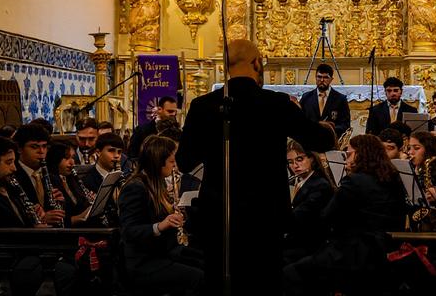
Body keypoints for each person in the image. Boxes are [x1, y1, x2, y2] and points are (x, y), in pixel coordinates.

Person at [177, 39, 336, 295]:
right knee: (263, 284)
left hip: (219, 214)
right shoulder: (276, 104)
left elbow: (184, 162)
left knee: (219, 283)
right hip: (265, 215)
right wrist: (326, 129)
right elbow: (319, 140)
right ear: (257, 63)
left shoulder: (202, 106)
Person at [284, 134, 406, 295]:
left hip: (352, 254)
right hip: (383, 253)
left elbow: (328, 217)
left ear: (361, 154)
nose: (346, 160)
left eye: (348, 154)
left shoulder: (354, 181)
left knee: (290, 274)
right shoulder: (394, 179)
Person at [119, 135, 203, 295]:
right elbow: (129, 231)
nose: (174, 166)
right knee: (198, 277)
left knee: (206, 263)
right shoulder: (135, 187)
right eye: (171, 162)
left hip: (164, 253)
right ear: (159, 162)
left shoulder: (157, 183)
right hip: (144, 263)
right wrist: (160, 226)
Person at [285, 141, 335, 264]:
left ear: (311, 159)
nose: (295, 166)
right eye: (290, 162)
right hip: (296, 239)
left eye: (300, 159)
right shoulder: (298, 181)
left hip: (309, 245)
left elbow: (299, 216)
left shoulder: (320, 185)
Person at [300, 63, 351, 138]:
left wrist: (330, 128)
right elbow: (300, 120)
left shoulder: (340, 99)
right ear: (315, 77)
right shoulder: (306, 97)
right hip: (309, 139)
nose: (322, 80)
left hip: (331, 140)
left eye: (326, 77)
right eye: (319, 77)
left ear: (331, 79)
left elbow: (345, 124)